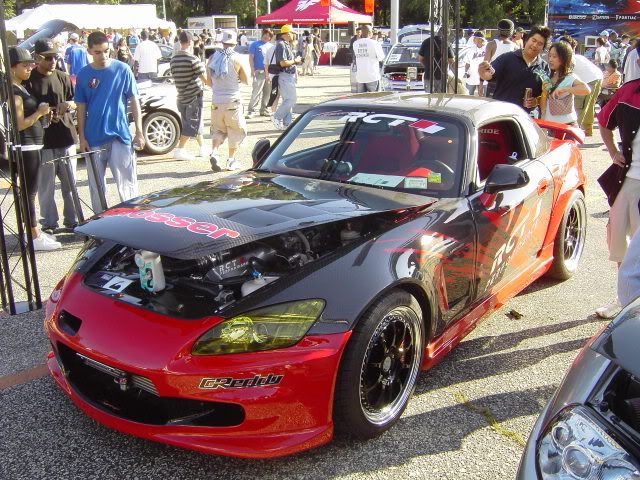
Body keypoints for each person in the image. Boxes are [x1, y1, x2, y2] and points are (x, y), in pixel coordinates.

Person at [75, 31, 144, 214]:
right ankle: (100, 223)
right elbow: (81, 107)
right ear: (89, 51)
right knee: (97, 188)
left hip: (120, 135)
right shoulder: (83, 74)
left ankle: (132, 220)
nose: (103, 55)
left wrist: (139, 131)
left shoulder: (123, 69)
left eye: (106, 51)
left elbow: (134, 101)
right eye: (98, 52)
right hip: (93, 137)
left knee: (128, 186)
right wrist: (81, 137)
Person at [595, 77, 640, 318]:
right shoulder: (628, 91)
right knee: (620, 243)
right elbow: (604, 121)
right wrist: (613, 152)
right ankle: (623, 298)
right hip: (627, 182)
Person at [9, 47, 60, 251]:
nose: (30, 68)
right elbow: (19, 124)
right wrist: (39, 113)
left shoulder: (20, 87)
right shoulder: (13, 92)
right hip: (26, 145)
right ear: (12, 68)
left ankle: (32, 231)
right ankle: (34, 234)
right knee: (29, 192)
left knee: (30, 191)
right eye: (25, 65)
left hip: (33, 144)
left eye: (31, 65)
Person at [26, 38, 79, 235]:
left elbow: (75, 101)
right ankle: (49, 223)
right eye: (48, 57)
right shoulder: (29, 80)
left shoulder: (63, 77)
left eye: (55, 57)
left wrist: (68, 105)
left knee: (70, 184)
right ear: (37, 57)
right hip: (43, 141)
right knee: (46, 187)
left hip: (66, 137)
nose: (53, 61)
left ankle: (72, 221)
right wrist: (42, 112)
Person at [478, 25, 552, 112]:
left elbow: (546, 93)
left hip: (525, 116)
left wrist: (536, 101)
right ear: (527, 40)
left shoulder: (544, 67)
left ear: (543, 48)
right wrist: (482, 72)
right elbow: (490, 75)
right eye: (533, 40)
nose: (535, 45)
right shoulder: (507, 58)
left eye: (540, 44)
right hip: (502, 113)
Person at [207, 30, 249, 172]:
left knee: (218, 129)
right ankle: (231, 160)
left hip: (216, 100)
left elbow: (209, 82)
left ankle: (214, 152)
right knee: (235, 130)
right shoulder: (238, 58)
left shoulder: (212, 58)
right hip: (233, 100)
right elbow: (246, 80)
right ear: (235, 43)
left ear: (222, 42)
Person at [170, 31, 209, 161]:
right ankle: (180, 150)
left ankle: (202, 147)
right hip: (194, 96)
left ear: (180, 42)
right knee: (192, 125)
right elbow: (205, 79)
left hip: (181, 96)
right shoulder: (193, 59)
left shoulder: (173, 59)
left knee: (193, 122)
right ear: (191, 42)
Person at [559, 36, 603, 136]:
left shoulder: (570, 59)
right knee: (589, 105)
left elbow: (566, 76)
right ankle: (587, 129)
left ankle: (575, 132)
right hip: (597, 77)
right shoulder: (578, 56)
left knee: (579, 105)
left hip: (590, 80)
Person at [539, 42, 590, 125]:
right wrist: (544, 93)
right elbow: (543, 107)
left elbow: (586, 90)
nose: (550, 59)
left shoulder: (570, 77)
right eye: (550, 56)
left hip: (567, 124)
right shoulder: (548, 77)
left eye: (554, 56)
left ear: (564, 58)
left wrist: (565, 89)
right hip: (550, 124)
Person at [271, 25, 302, 130]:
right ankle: (276, 116)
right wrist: (295, 61)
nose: (294, 35)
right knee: (291, 99)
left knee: (287, 100)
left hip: (287, 75)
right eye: (293, 33)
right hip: (285, 75)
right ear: (288, 33)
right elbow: (283, 63)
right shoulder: (281, 45)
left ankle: (287, 124)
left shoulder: (285, 44)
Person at [483, 19, 518, 97]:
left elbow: (485, 65)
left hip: (493, 81)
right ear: (511, 31)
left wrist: (481, 82)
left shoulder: (491, 45)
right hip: (509, 83)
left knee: (490, 104)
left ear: (498, 30)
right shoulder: (515, 47)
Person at [246, 28, 273, 118]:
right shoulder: (255, 44)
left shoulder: (272, 46)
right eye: (265, 34)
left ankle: (264, 109)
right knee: (256, 92)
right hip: (259, 71)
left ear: (270, 37)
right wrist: (252, 69)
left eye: (269, 35)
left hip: (269, 72)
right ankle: (251, 110)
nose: (266, 36)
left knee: (268, 92)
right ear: (262, 34)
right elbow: (251, 57)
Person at [418, 26, 454, 92]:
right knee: (441, 96)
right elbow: (451, 61)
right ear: (447, 34)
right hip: (442, 76)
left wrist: (427, 66)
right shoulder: (447, 44)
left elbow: (420, 59)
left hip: (429, 75)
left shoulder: (426, 42)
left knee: (429, 96)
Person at [353, 25, 385, 93]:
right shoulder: (375, 43)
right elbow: (381, 58)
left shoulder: (355, 43)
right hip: (372, 76)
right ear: (370, 32)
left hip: (360, 77)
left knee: (361, 98)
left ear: (361, 32)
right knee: (375, 98)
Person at [464, 31, 487, 96]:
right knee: (469, 97)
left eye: (475, 38)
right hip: (471, 77)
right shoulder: (471, 49)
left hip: (483, 78)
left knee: (482, 98)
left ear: (480, 39)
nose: (473, 39)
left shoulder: (487, 49)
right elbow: (467, 63)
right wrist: (465, 72)